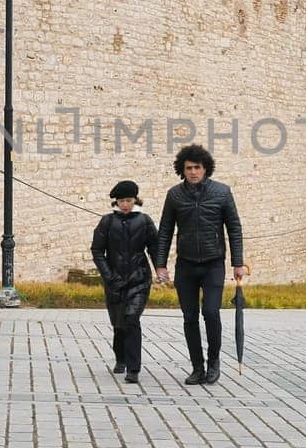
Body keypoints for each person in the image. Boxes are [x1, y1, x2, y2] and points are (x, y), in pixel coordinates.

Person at [154, 144, 245, 386]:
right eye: (188, 168)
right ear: (182, 170)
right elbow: (164, 231)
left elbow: (234, 228)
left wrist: (238, 263)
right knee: (190, 316)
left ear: (206, 169)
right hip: (186, 264)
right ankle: (197, 367)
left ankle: (214, 362)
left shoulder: (222, 193)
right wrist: (160, 264)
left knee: (211, 312)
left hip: (214, 263)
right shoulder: (174, 195)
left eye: (197, 167)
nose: (193, 172)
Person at [91, 180, 158, 384]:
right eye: (121, 201)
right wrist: (108, 276)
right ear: (116, 202)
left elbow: (154, 248)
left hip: (139, 280)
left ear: (135, 200)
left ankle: (133, 368)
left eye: (128, 200)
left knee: (131, 319)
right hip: (115, 281)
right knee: (119, 325)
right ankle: (120, 358)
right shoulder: (107, 222)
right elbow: (97, 250)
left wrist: (160, 269)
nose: (125, 205)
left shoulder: (145, 221)